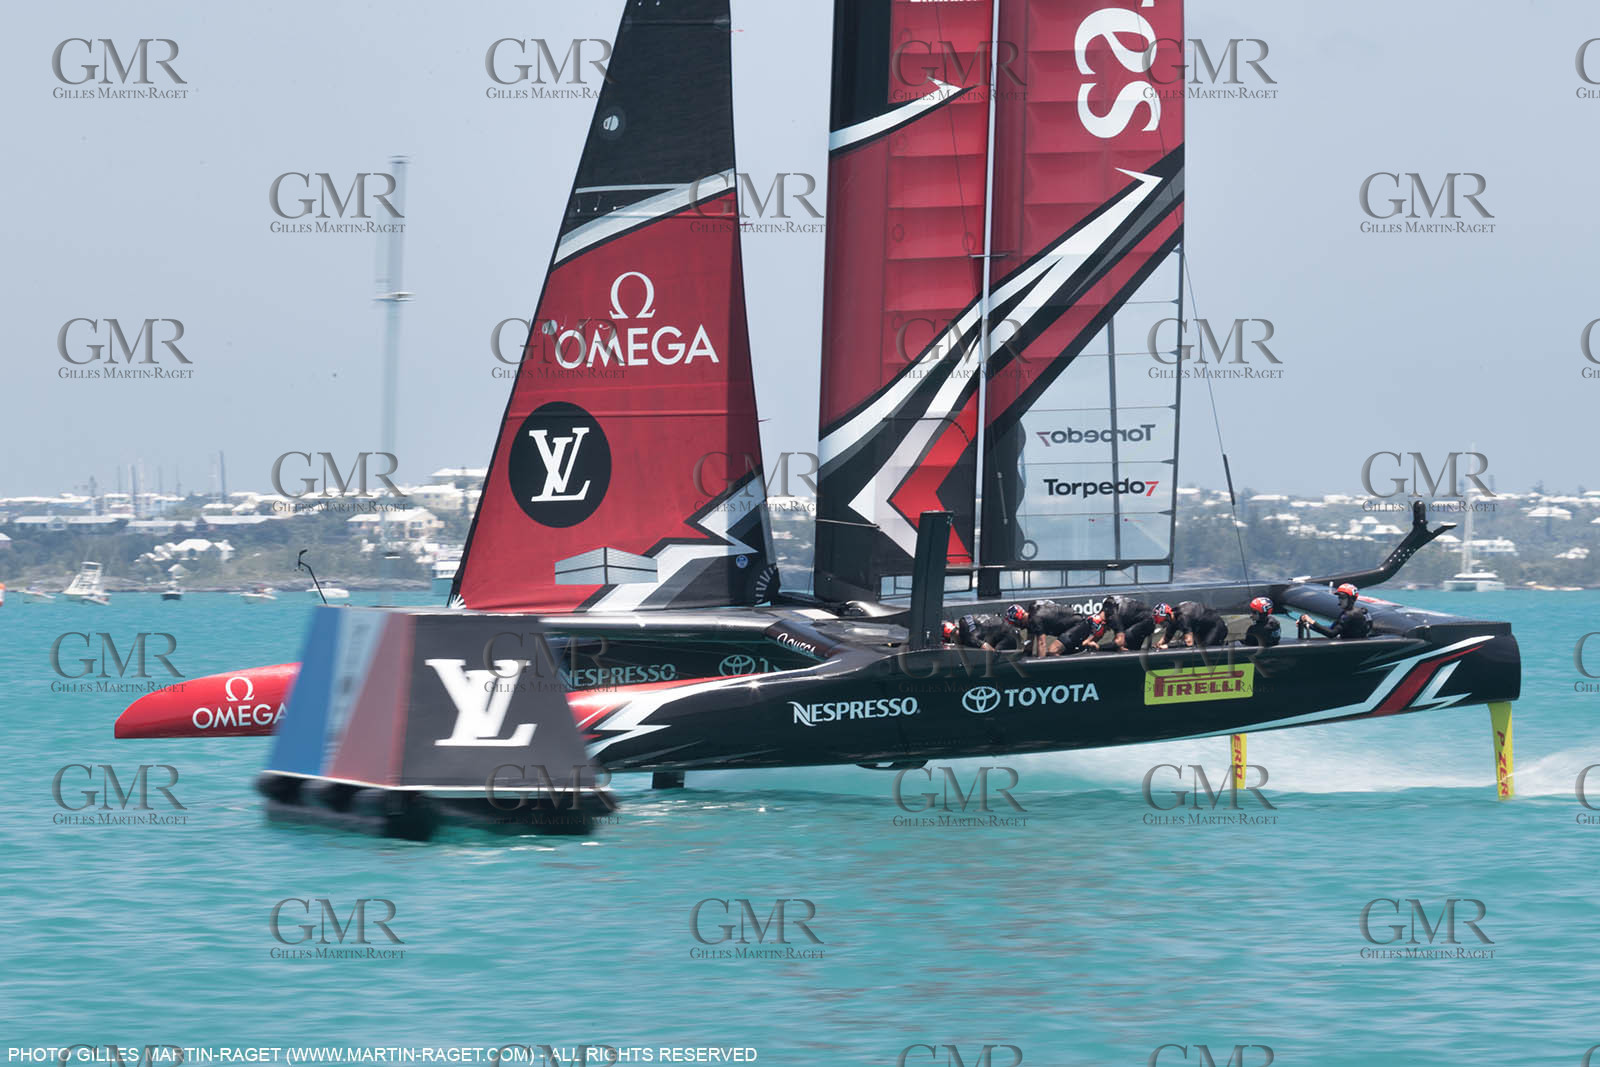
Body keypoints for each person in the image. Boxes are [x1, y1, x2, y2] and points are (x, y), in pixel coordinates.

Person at [1005, 601, 1083, 656]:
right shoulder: (1030, 619)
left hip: (1077, 625)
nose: (1016, 626)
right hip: (1070, 626)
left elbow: (1042, 643)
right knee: (1051, 651)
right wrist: (1023, 657)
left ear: (1018, 620)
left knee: (1052, 651)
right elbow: (1029, 644)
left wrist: (1039, 668)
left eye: (1014, 624)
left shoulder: (1035, 620)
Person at [1298, 583, 1372, 640]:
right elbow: (1331, 629)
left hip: (1353, 648)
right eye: (1339, 597)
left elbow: (1332, 634)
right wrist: (1308, 625)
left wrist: (1311, 621)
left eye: (1343, 597)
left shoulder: (1350, 614)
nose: (1340, 600)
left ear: (1351, 599)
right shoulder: (1354, 611)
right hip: (1356, 643)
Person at [1152, 601, 1228, 649]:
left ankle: (1222, 644)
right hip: (1202, 628)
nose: (1163, 625)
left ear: (1169, 615)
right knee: (1187, 642)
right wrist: (1158, 645)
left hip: (1216, 626)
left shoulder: (1183, 618)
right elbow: (1167, 637)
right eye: (1161, 623)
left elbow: (1189, 643)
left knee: (1203, 649)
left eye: (1163, 622)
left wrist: (1168, 646)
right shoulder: (1173, 617)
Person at [955, 612, 1023, 651]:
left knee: (995, 657)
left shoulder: (969, 639)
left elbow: (989, 650)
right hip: (1008, 626)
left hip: (1010, 637)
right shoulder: (963, 619)